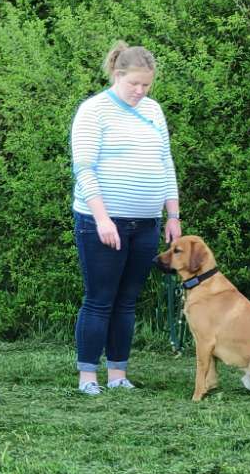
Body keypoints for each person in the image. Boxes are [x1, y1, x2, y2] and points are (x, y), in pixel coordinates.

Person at [70, 41, 182, 396]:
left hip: (146, 223)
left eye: (146, 84)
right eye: (134, 83)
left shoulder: (153, 110)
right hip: (102, 223)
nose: (140, 91)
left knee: (127, 300)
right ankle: (88, 377)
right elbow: (84, 169)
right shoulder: (94, 110)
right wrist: (102, 220)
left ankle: (118, 374)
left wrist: (172, 215)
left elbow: (165, 162)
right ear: (118, 74)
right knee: (100, 299)